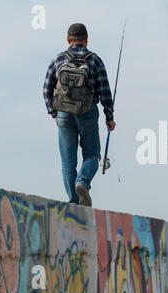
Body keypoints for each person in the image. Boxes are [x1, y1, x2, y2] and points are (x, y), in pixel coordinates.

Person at [43, 23, 116, 207]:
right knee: (92, 154)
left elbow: (46, 88)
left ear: (68, 40)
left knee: (68, 162)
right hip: (87, 112)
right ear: (86, 40)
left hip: (63, 114)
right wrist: (109, 116)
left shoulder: (58, 59)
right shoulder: (95, 60)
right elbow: (105, 90)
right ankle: (82, 182)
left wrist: (53, 112)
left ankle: (74, 203)